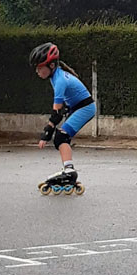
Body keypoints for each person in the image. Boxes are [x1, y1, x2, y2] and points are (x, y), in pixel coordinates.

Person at [30, 43, 96, 193]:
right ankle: (68, 169)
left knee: (60, 137)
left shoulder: (59, 80)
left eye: (40, 67)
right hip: (78, 107)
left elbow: (56, 114)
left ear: (51, 65)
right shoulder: (56, 76)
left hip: (85, 108)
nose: (37, 71)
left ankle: (69, 171)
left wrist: (46, 134)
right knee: (61, 137)